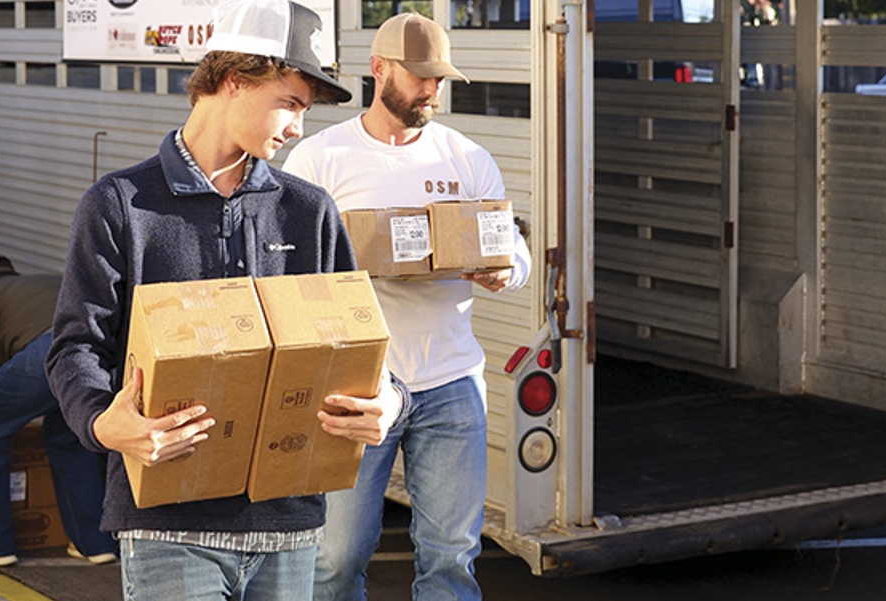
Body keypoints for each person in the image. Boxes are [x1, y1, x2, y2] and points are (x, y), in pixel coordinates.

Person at [46, 0, 407, 597]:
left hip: (290, 527)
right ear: (236, 78)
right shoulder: (121, 206)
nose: (297, 127)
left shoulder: (309, 210)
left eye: (304, 111)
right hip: (169, 525)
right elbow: (75, 348)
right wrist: (103, 423)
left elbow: (359, 343)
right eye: (289, 103)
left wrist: (389, 402)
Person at [280, 13, 533, 600]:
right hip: (357, 384)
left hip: (451, 381)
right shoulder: (320, 161)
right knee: (336, 558)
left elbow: (512, 249)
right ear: (378, 70)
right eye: (420, 78)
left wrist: (504, 268)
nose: (431, 91)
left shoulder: (465, 158)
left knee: (452, 557)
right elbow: (285, 267)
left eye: (439, 80)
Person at [0, 255, 116, 567]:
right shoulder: (36, 284)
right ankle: (94, 542)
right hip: (102, 355)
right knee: (69, 438)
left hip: (53, 351)